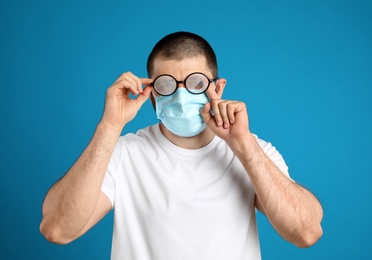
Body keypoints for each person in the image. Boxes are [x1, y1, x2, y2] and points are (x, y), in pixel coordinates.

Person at [40, 31, 323, 259]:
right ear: (151, 94)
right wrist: (110, 126)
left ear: (218, 88)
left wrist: (243, 145)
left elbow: (305, 232)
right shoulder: (123, 153)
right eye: (166, 85)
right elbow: (58, 229)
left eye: (196, 83)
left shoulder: (252, 151)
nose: (181, 95)